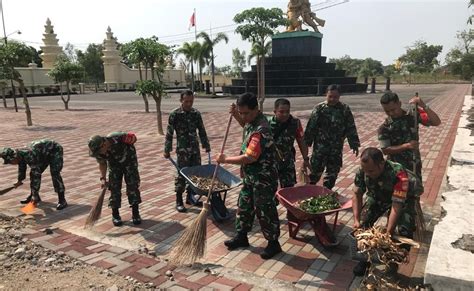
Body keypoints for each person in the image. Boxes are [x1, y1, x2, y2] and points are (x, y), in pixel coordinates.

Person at [218, 92, 281, 260]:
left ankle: (273, 243)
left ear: (256, 109)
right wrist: (236, 115)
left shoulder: (262, 129)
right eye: (241, 112)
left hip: (263, 179)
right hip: (250, 177)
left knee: (264, 210)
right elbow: (245, 125)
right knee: (244, 205)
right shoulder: (251, 122)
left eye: (246, 113)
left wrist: (225, 159)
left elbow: (250, 157)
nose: (243, 116)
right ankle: (242, 237)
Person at [351, 147, 423, 276]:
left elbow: (397, 205)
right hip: (377, 197)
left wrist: (388, 232)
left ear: (382, 164)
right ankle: (364, 260)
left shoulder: (399, 173)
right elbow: (357, 194)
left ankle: (393, 261)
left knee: (404, 231)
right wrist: (356, 220)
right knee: (363, 225)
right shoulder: (363, 170)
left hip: (403, 201)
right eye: (365, 170)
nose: (367, 174)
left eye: (371, 171)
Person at [304, 84, 360, 190]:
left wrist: (354, 144)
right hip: (320, 148)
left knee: (332, 174)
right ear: (326, 95)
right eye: (330, 96)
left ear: (339, 96)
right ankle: (309, 192)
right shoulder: (319, 109)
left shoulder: (344, 109)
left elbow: (350, 126)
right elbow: (311, 127)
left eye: (335, 97)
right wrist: (306, 144)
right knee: (314, 172)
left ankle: (327, 194)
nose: (333, 99)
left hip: (336, 148)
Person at [163, 90, 211, 213]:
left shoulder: (196, 114)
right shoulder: (175, 114)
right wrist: (167, 149)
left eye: (191, 101)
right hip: (182, 150)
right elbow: (169, 133)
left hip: (195, 149)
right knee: (182, 174)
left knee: (196, 173)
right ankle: (179, 201)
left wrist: (206, 145)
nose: (189, 104)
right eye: (186, 101)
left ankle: (190, 197)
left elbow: (202, 130)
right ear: (181, 100)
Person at [378, 92, 441, 181]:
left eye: (393, 109)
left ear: (399, 104)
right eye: (387, 111)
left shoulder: (412, 116)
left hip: (414, 166)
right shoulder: (384, 128)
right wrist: (406, 146)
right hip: (396, 169)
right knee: (398, 194)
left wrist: (423, 105)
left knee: (414, 193)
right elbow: (385, 150)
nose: (391, 113)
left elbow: (436, 122)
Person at [88, 132, 141, 226]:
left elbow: (134, 138)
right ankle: (115, 215)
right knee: (114, 188)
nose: (99, 154)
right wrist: (103, 178)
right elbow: (102, 163)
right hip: (114, 166)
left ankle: (135, 214)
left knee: (133, 187)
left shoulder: (117, 138)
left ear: (103, 145)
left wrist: (131, 138)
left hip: (129, 162)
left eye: (99, 151)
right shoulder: (98, 151)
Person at [0, 139, 67, 210]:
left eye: (10, 162)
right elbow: (22, 169)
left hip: (54, 150)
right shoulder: (19, 155)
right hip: (43, 154)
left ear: (14, 157)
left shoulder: (29, 155)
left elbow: (36, 176)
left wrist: (34, 194)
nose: (11, 164)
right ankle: (35, 196)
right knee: (32, 174)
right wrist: (19, 180)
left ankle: (62, 200)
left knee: (55, 173)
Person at [267, 98, 309, 188]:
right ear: (275, 111)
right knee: (269, 189)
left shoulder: (295, 123)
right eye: (281, 112)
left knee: (289, 188)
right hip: (270, 162)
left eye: (287, 111)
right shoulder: (267, 123)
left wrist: (305, 159)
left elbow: (301, 140)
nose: (285, 114)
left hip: (287, 161)